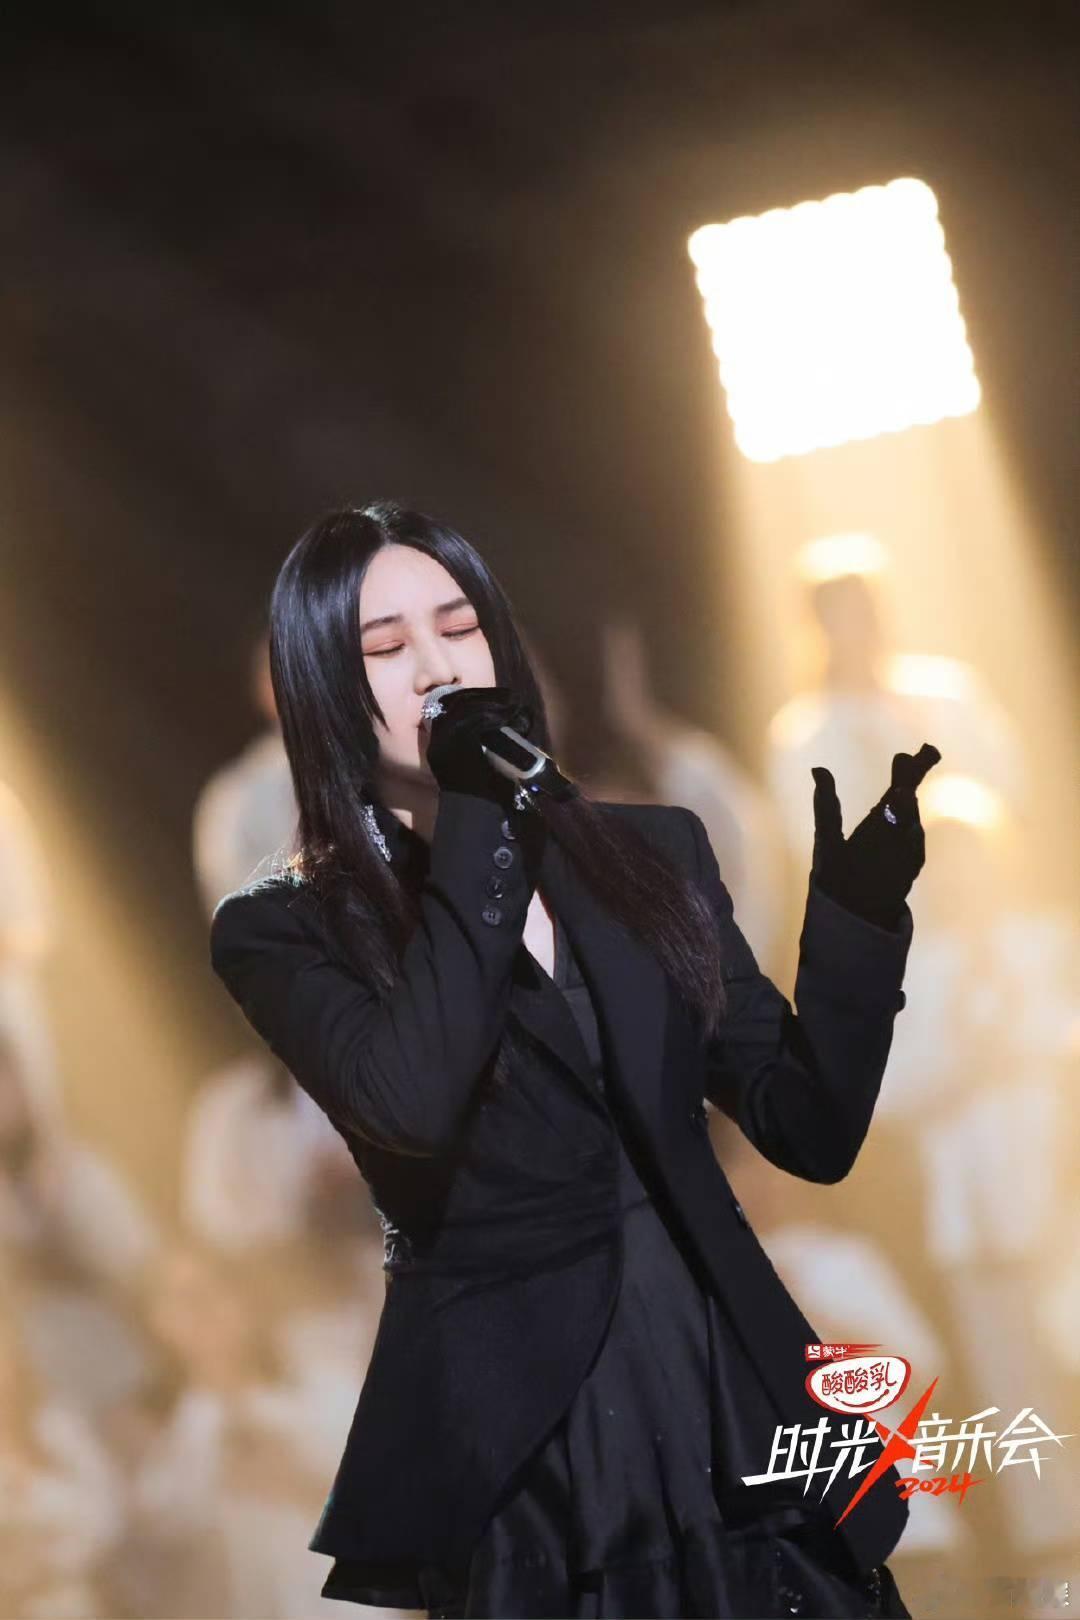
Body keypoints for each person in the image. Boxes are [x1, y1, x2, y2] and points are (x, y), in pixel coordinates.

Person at [209, 502, 940, 1619]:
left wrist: (855, 928)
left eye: (460, 627)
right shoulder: (287, 929)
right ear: (322, 693)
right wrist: (476, 817)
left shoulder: (650, 853)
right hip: (536, 1454)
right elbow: (414, 1097)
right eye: (388, 647)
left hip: (727, 1389)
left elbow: (808, 1126)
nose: (439, 666)